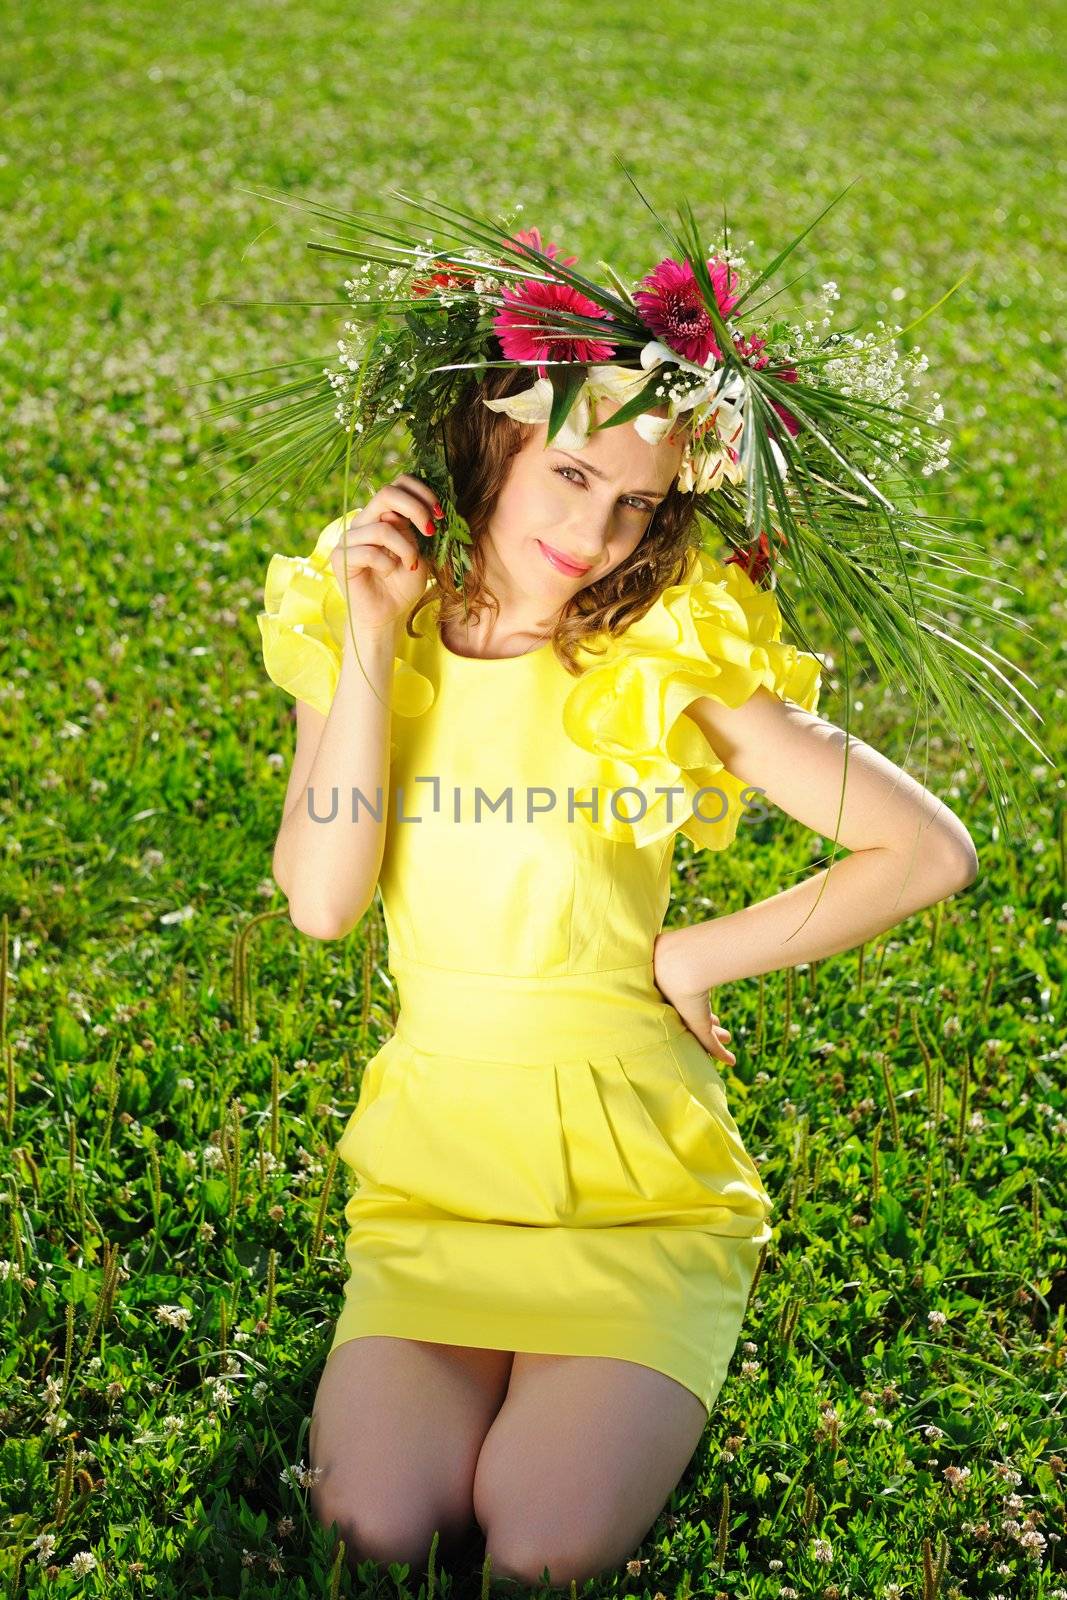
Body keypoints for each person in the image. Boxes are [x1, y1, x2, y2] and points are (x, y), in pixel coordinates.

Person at [258, 370, 979, 1590]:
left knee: (539, 1549)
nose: (593, 537)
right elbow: (324, 901)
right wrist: (375, 634)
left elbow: (922, 850)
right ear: (492, 447)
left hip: (632, 1190)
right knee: (377, 1530)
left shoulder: (656, 648)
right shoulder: (361, 613)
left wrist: (694, 953)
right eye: (572, 476)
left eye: (638, 505)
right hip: (435, 1178)